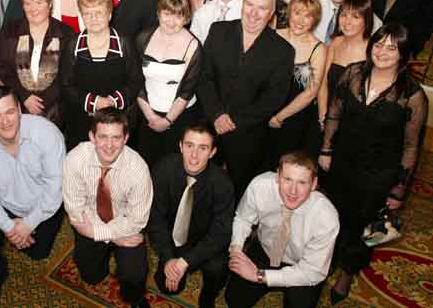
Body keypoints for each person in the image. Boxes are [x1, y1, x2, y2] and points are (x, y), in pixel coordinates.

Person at [320, 23, 428, 303]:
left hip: (378, 174)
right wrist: (326, 150)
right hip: (342, 163)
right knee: (331, 218)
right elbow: (334, 114)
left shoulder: (413, 97)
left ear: (404, 55)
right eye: (379, 44)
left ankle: (346, 275)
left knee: (364, 229)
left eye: (392, 48)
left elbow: (411, 146)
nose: (382, 52)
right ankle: (323, 263)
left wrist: (398, 190)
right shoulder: (353, 73)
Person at [0, 85, 65, 308]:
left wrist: (29, 223)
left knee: (38, 254)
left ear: (20, 110)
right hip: (4, 205)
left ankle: (31, 237)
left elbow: (55, 189)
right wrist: (9, 227)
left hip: (43, 206)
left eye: (10, 112)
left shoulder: (47, 134)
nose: (5, 121)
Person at [197, 0, 294, 199]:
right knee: (200, 186)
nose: (253, 13)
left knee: (240, 191)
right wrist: (217, 115)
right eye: (249, 4)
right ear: (242, 3)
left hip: (247, 135)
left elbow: (273, 98)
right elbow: (204, 77)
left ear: (271, 13)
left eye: (261, 8)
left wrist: (234, 121)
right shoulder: (218, 30)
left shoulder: (283, 51)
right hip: (209, 125)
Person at [62, 108, 153, 308]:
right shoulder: (75, 160)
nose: (109, 145)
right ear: (92, 137)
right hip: (93, 223)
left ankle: (135, 298)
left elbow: (137, 220)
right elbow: (77, 213)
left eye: (116, 137)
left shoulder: (138, 168)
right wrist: (113, 237)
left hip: (125, 226)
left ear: (126, 138)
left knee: (134, 274)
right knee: (91, 276)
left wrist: (102, 232)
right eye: (103, 137)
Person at [225, 152, 339, 308]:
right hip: (265, 250)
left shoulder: (326, 217)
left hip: (300, 265)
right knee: (234, 299)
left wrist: (260, 276)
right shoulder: (261, 185)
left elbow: (312, 272)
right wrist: (237, 249)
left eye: (302, 183)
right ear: (277, 176)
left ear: (314, 184)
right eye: (287, 179)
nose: (293, 191)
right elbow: (243, 218)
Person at [148, 123, 234, 308]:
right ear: (180, 146)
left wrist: (187, 261)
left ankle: (208, 295)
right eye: (189, 145)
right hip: (173, 239)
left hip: (205, 242)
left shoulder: (222, 183)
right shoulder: (163, 169)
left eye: (202, 148)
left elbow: (221, 231)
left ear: (212, 152)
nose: (194, 155)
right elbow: (155, 219)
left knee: (218, 268)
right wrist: (168, 258)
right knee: (167, 287)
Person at [60, 0, 144, 150]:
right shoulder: (73, 45)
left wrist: (112, 102)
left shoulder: (124, 44)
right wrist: (94, 102)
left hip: (117, 123)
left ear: (109, 14)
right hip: (81, 123)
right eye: (87, 14)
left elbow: (136, 81)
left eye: (98, 13)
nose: (93, 18)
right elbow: (65, 85)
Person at [136, 0, 202, 167]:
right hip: (147, 115)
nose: (171, 21)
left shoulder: (194, 46)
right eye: (167, 13)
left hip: (181, 118)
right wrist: (151, 116)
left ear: (186, 18)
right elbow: (136, 82)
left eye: (178, 16)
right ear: (159, 12)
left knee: (174, 169)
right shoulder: (143, 38)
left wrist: (167, 121)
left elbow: (187, 91)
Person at [0, 0, 73, 127]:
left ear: (50, 4)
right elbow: (4, 69)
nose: (33, 9)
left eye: (39, 2)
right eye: (27, 3)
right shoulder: (10, 30)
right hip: (17, 106)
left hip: (55, 109)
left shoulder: (65, 33)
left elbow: (67, 75)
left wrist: (42, 103)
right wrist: (24, 97)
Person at [266, 0, 326, 170]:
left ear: (314, 20)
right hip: (264, 112)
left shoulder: (319, 49)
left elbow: (311, 92)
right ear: (289, 13)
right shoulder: (272, 36)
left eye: (308, 16)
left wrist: (279, 117)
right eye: (297, 13)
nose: (300, 20)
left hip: (296, 120)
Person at [317, 0, 374, 132]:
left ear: (366, 20)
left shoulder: (372, 51)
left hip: (352, 121)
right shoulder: (336, 42)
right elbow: (323, 80)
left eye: (355, 17)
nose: (347, 21)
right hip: (324, 112)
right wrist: (323, 113)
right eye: (343, 15)